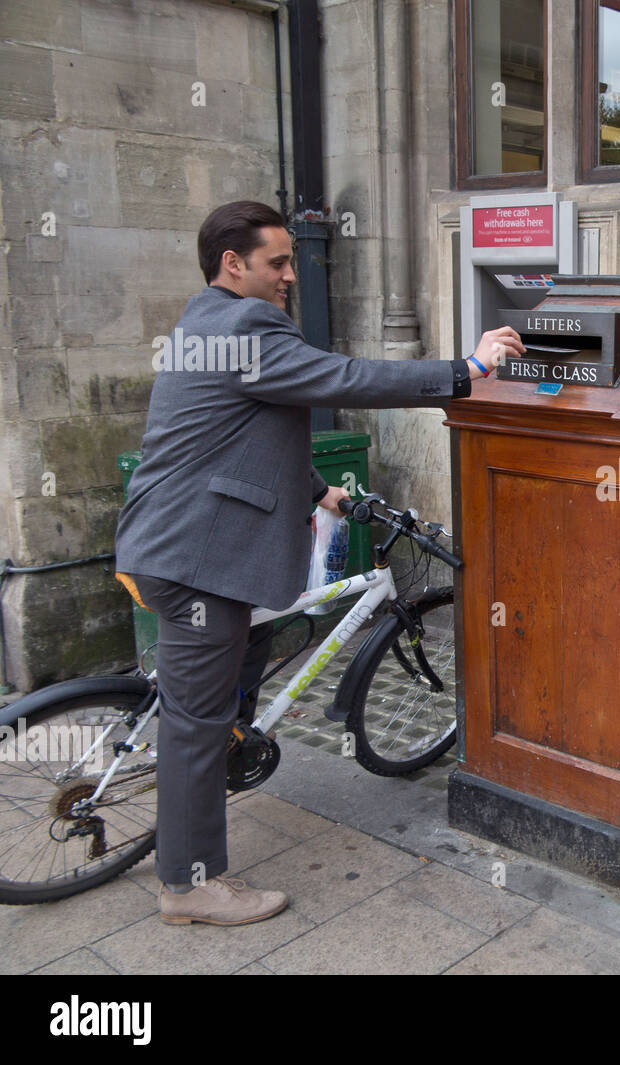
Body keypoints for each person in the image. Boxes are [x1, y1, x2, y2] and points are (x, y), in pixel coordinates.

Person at [114, 200, 523, 926]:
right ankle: (187, 885)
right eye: (276, 262)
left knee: (241, 669)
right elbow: (342, 378)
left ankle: (225, 752)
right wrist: (466, 368)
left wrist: (316, 489)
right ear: (231, 264)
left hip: (182, 542)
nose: (289, 277)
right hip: (199, 559)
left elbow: (231, 429)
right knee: (195, 727)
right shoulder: (246, 324)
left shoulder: (200, 320)